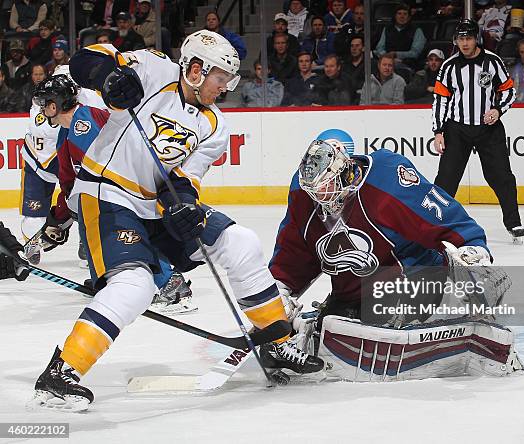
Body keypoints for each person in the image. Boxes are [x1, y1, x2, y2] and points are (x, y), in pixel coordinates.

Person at [24, 30, 322, 411]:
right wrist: (110, 78)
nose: (225, 88)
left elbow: (185, 179)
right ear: (196, 70)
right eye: (221, 79)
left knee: (241, 242)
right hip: (107, 194)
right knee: (135, 284)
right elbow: (86, 61)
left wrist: (184, 205)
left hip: (154, 205)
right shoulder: (153, 68)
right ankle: (62, 371)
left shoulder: (214, 126)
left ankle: (277, 341)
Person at [269, 132, 523, 382]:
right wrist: (279, 290)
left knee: (370, 325)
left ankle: (447, 321)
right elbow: (294, 248)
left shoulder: (387, 180)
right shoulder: (305, 191)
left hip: (413, 277)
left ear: (345, 171)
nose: (320, 197)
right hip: (353, 290)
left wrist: (473, 249)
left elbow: (444, 215)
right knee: (330, 330)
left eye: (327, 187)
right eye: (315, 190)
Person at [29, 71, 195, 314]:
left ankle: (171, 285)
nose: (42, 110)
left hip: (123, 192)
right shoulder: (68, 129)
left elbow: (106, 169)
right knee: (98, 234)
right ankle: (114, 280)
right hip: (108, 193)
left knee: (128, 235)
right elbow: (70, 181)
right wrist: (57, 220)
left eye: (45, 104)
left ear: (55, 104)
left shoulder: (83, 125)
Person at [431, 19, 524, 242]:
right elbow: (440, 100)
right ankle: (432, 223)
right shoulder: (449, 66)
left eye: (468, 38)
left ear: (477, 39)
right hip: (457, 129)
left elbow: (509, 91)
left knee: (501, 177)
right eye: (460, 39)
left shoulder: (493, 62)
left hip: (488, 129)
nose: (464, 43)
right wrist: (438, 131)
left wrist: (498, 110)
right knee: (446, 179)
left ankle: (514, 223)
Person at [374, 4, 426, 70]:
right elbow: (379, 48)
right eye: (399, 13)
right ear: (395, 16)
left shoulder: (417, 30)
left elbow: (415, 53)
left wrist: (396, 54)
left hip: (407, 65)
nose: (402, 16)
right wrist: (388, 58)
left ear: (409, 17)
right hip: (387, 63)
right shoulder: (387, 29)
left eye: (405, 14)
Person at [341, 34, 366, 103]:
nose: (354, 48)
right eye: (352, 46)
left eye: (357, 45)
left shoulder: (370, 64)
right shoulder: (344, 65)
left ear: (363, 48)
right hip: (347, 99)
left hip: (365, 98)